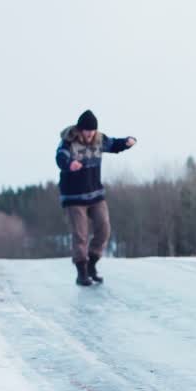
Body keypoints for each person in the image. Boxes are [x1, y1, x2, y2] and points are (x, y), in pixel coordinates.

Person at [55, 109, 137, 286]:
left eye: (93, 131)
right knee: (80, 235)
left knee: (104, 229)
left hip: (96, 195)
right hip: (74, 197)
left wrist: (128, 142)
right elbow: (60, 157)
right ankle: (82, 272)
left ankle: (92, 264)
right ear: (80, 129)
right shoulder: (69, 141)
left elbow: (114, 144)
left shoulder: (99, 140)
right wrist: (70, 164)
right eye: (87, 131)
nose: (90, 134)